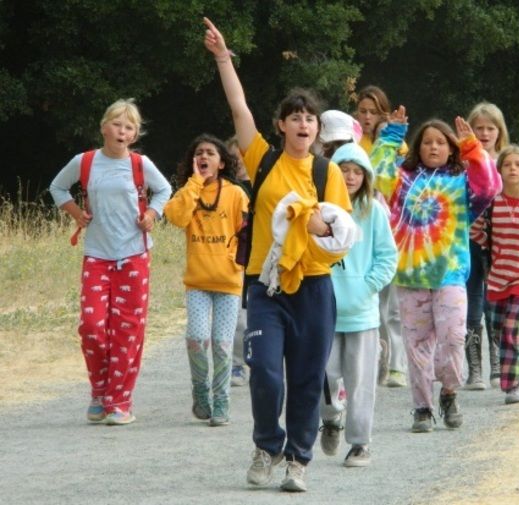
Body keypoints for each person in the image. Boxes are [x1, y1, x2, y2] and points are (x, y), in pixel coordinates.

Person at [203, 17, 352, 492]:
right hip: (266, 285)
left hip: (314, 286)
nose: (303, 123)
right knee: (266, 371)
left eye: (309, 117)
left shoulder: (329, 171)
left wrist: (320, 223)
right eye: (295, 117)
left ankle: (298, 460)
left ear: (317, 128)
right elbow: (237, 107)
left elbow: (343, 232)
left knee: (307, 379)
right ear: (282, 126)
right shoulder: (262, 158)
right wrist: (224, 57)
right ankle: (267, 445)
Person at [370, 107, 501, 432]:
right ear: (418, 147)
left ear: (450, 148)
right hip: (411, 277)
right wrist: (390, 136)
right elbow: (375, 173)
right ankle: (423, 408)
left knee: (454, 338)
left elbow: (489, 187)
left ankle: (449, 391)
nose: (433, 147)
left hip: (450, 275)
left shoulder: (461, 182)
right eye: (427, 142)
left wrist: (473, 147)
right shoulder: (401, 180)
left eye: (441, 142)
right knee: (417, 348)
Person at [49, 98, 171, 425]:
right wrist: (75, 212)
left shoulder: (140, 165)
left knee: (127, 331)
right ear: (104, 127)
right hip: (97, 256)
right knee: (92, 328)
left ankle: (120, 402)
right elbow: (58, 187)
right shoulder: (85, 162)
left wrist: (151, 214)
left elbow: (164, 190)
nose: (122, 130)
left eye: (128, 126)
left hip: (134, 255)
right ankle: (99, 392)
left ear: (134, 135)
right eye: (117, 123)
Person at [319, 142, 397, 468]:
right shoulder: (320, 211)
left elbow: (388, 258)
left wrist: (367, 288)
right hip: (324, 311)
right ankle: (331, 418)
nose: (350, 177)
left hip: (363, 314)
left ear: (366, 177)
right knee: (325, 374)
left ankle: (360, 443)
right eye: (344, 170)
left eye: (356, 172)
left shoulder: (374, 212)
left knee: (360, 381)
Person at [464, 102, 519, 390]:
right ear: (470, 130)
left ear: (499, 131)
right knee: (473, 301)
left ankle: (500, 366)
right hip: (468, 238)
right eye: (479, 128)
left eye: (491, 128)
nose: (485, 133)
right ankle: (475, 368)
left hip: (504, 246)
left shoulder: (506, 158)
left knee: (499, 305)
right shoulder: (463, 159)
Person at [164, 133, 249, 426]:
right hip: (198, 282)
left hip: (228, 282)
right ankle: (201, 390)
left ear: (222, 162)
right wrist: (194, 184)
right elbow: (175, 217)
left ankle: (222, 398)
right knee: (197, 339)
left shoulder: (236, 194)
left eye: (210, 153)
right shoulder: (190, 191)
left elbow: (248, 231)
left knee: (222, 344)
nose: (203, 157)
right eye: (198, 153)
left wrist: (238, 260)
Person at [355, 85, 408, 387]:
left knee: (394, 302)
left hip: (394, 225)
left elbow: (396, 181)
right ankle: (377, 357)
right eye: (362, 111)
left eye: (373, 112)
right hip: (364, 227)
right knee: (371, 299)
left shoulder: (397, 144)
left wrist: (390, 136)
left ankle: (398, 362)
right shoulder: (353, 141)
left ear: (382, 114)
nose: (367, 117)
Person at [225, 135, 251, 387]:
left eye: (244, 156)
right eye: (234, 158)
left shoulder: (264, 185)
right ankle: (236, 363)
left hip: (263, 259)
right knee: (239, 317)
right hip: (236, 260)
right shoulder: (225, 189)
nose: (240, 163)